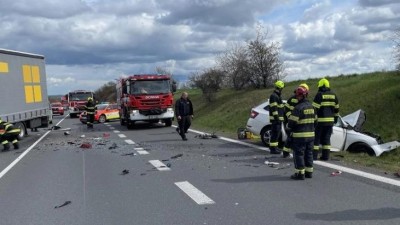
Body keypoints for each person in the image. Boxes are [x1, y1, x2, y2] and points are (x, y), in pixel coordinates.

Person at [287, 86, 316, 180]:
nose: (296, 97)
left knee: (298, 154)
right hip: (311, 136)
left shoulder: (298, 108)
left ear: (299, 96)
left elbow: (291, 123)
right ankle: (309, 173)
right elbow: (316, 121)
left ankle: (300, 174)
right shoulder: (312, 107)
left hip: (300, 136)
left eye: (297, 96)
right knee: (309, 154)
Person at [312, 78, 339, 161]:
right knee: (326, 139)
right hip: (330, 122)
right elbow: (337, 109)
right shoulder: (334, 95)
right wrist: (335, 120)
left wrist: (314, 120)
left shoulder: (319, 95)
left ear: (321, 86)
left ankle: (314, 156)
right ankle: (325, 157)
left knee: (316, 139)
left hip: (320, 122)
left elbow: (314, 109)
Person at [283, 83, 309, 158]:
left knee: (291, 138)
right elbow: (286, 109)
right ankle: (287, 153)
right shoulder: (293, 99)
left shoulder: (294, 99)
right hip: (293, 121)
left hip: (295, 121)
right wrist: (290, 117)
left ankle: (287, 152)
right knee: (291, 138)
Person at [268, 80, 285, 154]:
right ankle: (273, 149)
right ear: (280, 88)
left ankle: (275, 148)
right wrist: (276, 118)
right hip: (276, 120)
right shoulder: (274, 96)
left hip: (278, 119)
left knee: (277, 134)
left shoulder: (277, 96)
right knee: (275, 134)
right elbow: (274, 108)